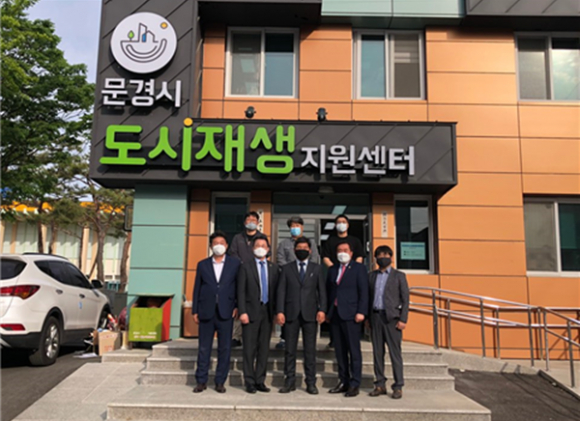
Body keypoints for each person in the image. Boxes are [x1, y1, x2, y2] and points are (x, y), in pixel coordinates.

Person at [191, 231, 241, 394]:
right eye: (215, 243)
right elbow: (197, 288)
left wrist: (237, 306)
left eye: (222, 243)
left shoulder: (235, 264)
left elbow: (238, 287)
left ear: (226, 245)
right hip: (206, 311)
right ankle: (201, 380)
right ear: (211, 246)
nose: (219, 245)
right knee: (204, 348)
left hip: (226, 311)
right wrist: (195, 310)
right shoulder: (202, 264)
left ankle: (220, 381)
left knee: (224, 348)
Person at [276, 237, 327, 395]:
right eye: (299, 248)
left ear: (310, 251)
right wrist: (280, 311)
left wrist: (322, 309)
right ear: (294, 250)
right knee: (289, 350)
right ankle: (289, 381)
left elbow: (322, 291)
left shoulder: (316, 268)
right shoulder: (287, 268)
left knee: (310, 350)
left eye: (305, 248)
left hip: (310, 314)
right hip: (291, 313)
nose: (302, 250)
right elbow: (281, 291)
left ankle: (311, 382)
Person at [237, 234, 280, 394]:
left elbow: (277, 292)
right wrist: (242, 311)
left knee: (264, 348)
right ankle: (249, 381)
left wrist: (277, 312)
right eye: (257, 246)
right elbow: (240, 291)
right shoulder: (245, 267)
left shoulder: (274, 268)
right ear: (252, 249)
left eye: (263, 246)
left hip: (267, 312)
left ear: (268, 249)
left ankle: (260, 380)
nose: (260, 248)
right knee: (249, 348)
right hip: (250, 312)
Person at [326, 240, 369, 397]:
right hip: (336, 314)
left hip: (352, 315)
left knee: (353, 350)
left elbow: (364, 291)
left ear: (351, 253)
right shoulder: (332, 269)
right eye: (339, 250)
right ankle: (343, 381)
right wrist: (327, 312)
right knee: (340, 351)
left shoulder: (359, 268)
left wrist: (361, 312)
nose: (342, 253)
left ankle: (355, 383)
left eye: (345, 250)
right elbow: (329, 291)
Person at [367, 245, 409, 400]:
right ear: (375, 258)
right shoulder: (371, 276)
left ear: (391, 257)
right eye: (379, 255)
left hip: (392, 319)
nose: (382, 258)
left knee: (395, 354)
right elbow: (368, 298)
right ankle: (380, 384)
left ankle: (398, 386)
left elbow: (405, 299)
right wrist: (368, 318)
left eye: (385, 255)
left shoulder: (399, 276)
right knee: (377, 353)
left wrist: (403, 319)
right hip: (375, 317)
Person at [275, 216, 320, 350]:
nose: (295, 228)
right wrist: (291, 270)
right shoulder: (283, 244)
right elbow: (280, 259)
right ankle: (284, 338)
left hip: (307, 278)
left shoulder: (310, 243)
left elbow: (315, 259)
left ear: (302, 227)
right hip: (289, 279)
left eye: (298, 225)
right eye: (293, 226)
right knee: (289, 309)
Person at [229, 211, 262, 347]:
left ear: (258, 223)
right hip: (239, 273)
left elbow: (265, 254)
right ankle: (236, 336)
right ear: (244, 222)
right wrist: (243, 266)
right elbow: (233, 253)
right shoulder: (238, 238)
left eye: (254, 220)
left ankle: (255, 336)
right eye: (248, 219)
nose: (251, 222)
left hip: (256, 275)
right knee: (239, 302)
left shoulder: (262, 238)